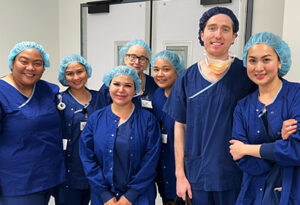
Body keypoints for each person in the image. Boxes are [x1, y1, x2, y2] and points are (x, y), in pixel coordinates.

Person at [163, 7, 256, 204]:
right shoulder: (188, 77)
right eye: (212, 28)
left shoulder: (246, 74)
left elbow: (269, 101)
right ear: (202, 34)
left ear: (234, 36)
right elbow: (180, 126)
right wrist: (180, 175)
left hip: (235, 172)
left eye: (225, 29)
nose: (218, 35)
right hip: (197, 173)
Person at [229, 32, 300, 204]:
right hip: (252, 194)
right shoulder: (242, 106)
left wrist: (247, 149)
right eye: (252, 60)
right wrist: (279, 146)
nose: (259, 67)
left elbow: (296, 150)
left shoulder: (296, 95)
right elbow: (240, 157)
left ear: (280, 61)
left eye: (266, 60)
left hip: (291, 191)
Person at [80, 65, 161, 205]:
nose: (121, 90)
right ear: (108, 86)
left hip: (139, 197)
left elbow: (151, 160)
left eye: (128, 85)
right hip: (103, 198)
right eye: (116, 84)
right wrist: (105, 194)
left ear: (135, 89)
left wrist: (130, 196)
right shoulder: (95, 119)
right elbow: (87, 157)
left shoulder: (148, 120)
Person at [0, 41, 65, 204]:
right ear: (12, 62)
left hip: (50, 175)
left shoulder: (48, 90)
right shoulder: (2, 93)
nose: (30, 68)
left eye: (38, 63)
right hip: (16, 182)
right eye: (24, 61)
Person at [53, 54, 102, 205]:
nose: (76, 77)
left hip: (96, 170)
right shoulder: (58, 100)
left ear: (87, 71)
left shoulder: (101, 98)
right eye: (69, 73)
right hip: (68, 171)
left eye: (79, 72)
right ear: (64, 76)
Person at [151, 50, 185, 205]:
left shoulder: (186, 96)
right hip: (163, 163)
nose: (160, 74)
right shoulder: (157, 95)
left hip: (183, 164)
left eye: (166, 69)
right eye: (156, 69)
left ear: (177, 70)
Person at [98, 39, 158, 109]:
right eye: (133, 57)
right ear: (125, 58)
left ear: (147, 62)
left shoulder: (154, 84)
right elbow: (100, 112)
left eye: (142, 58)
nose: (137, 62)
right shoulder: (111, 84)